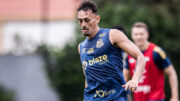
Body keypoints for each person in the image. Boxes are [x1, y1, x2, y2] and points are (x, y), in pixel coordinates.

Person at [77, 1, 146, 101]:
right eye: (80, 21)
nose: (83, 24)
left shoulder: (112, 35)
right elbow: (88, 78)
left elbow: (140, 57)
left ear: (97, 19)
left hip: (115, 97)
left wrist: (135, 79)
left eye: (87, 20)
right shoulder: (81, 47)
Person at [123, 22, 179, 101]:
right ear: (132, 36)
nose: (139, 37)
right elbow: (124, 77)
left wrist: (175, 97)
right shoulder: (128, 54)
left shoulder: (156, 52)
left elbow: (171, 72)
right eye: (136, 34)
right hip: (138, 98)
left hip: (155, 97)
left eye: (141, 34)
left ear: (147, 35)